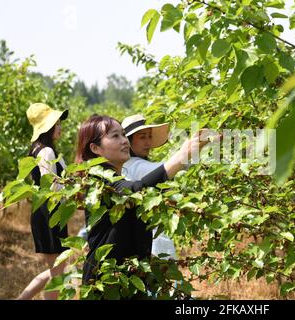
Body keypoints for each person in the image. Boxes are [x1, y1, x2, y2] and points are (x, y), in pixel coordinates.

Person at [75, 115, 211, 284]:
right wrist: (181, 156)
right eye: (115, 136)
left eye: (123, 134)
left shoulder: (120, 177)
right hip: (107, 282)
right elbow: (133, 190)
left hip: (128, 279)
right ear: (95, 148)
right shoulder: (98, 182)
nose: (124, 141)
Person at [17, 103, 69, 300]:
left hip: (45, 212)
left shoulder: (36, 149)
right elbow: (52, 187)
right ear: (48, 127)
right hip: (50, 213)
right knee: (58, 271)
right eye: (56, 124)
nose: (60, 128)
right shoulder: (46, 151)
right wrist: (72, 193)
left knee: (57, 269)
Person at [121, 114, 176, 260]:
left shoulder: (125, 165)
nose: (148, 142)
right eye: (142, 137)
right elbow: (167, 169)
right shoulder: (135, 165)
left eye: (149, 136)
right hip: (153, 243)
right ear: (129, 141)